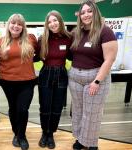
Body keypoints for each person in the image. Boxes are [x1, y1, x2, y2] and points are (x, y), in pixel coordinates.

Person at [69, 1, 118, 150]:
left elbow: (110, 59)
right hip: (75, 78)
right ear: (79, 16)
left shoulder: (105, 31)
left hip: (95, 78)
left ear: (95, 12)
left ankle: (91, 143)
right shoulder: (77, 32)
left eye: (89, 11)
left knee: (92, 113)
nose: (86, 15)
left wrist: (97, 81)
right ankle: (80, 139)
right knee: (78, 111)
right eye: (83, 12)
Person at [0, 14, 37, 150]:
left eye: (19, 24)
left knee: (23, 109)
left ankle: (22, 136)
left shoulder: (31, 40)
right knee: (13, 108)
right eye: (13, 23)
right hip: (8, 81)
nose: (16, 26)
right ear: (8, 25)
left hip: (27, 81)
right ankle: (16, 133)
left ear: (23, 27)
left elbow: (40, 52)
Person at [35, 10, 72, 149]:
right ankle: (44, 132)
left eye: (55, 20)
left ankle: (51, 134)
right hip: (46, 74)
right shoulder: (42, 39)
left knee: (56, 108)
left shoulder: (69, 37)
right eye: (49, 22)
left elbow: (73, 56)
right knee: (45, 107)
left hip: (62, 75)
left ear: (60, 21)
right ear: (47, 24)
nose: (52, 24)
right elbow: (35, 57)